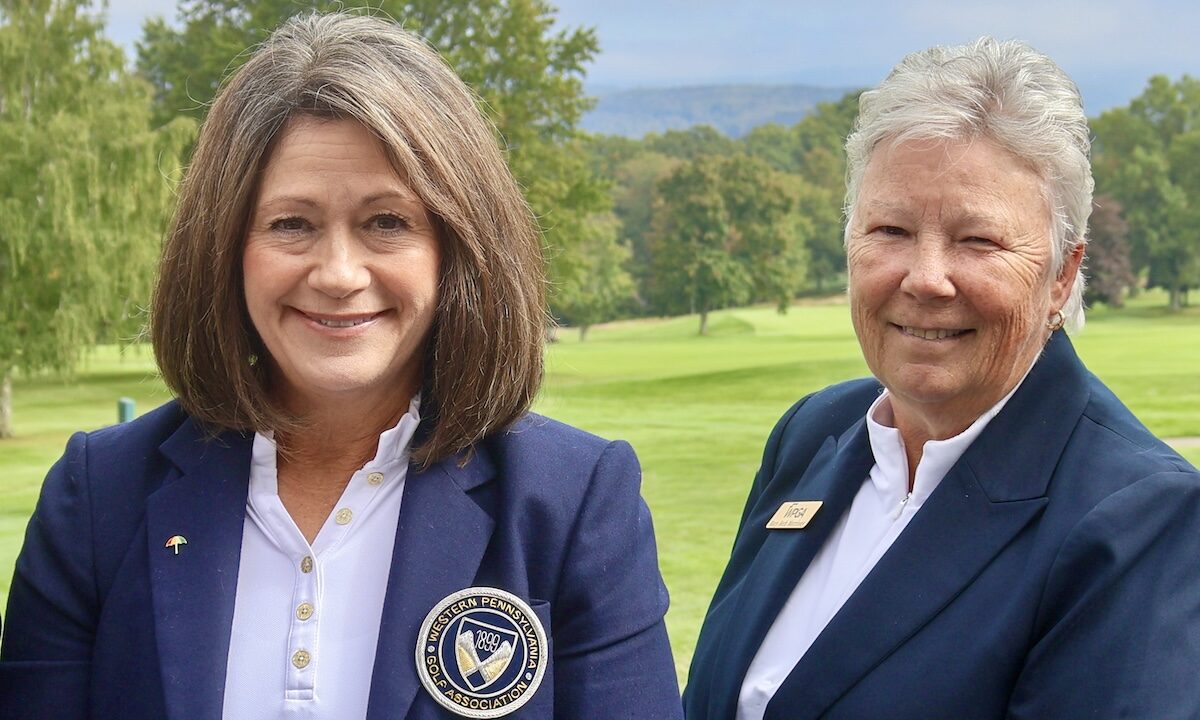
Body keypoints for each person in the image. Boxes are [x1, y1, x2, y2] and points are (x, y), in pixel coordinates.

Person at [0, 12, 682, 720]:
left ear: (456, 249)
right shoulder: (99, 498)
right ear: (226, 250)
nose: (337, 272)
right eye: (291, 223)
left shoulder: (571, 505)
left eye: (387, 222)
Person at [684, 38, 1200, 720]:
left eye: (977, 241)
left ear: (1063, 275)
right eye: (891, 230)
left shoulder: (1139, 521)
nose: (925, 277)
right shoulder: (815, 435)